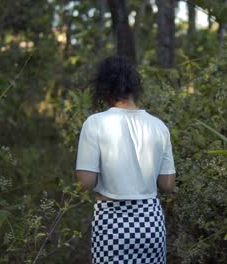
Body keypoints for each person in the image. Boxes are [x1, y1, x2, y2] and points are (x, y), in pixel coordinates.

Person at [75, 55, 176, 264]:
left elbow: (85, 183)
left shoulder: (95, 124)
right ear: (133, 87)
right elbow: (167, 185)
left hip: (112, 222)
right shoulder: (159, 126)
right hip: (151, 221)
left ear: (104, 88)